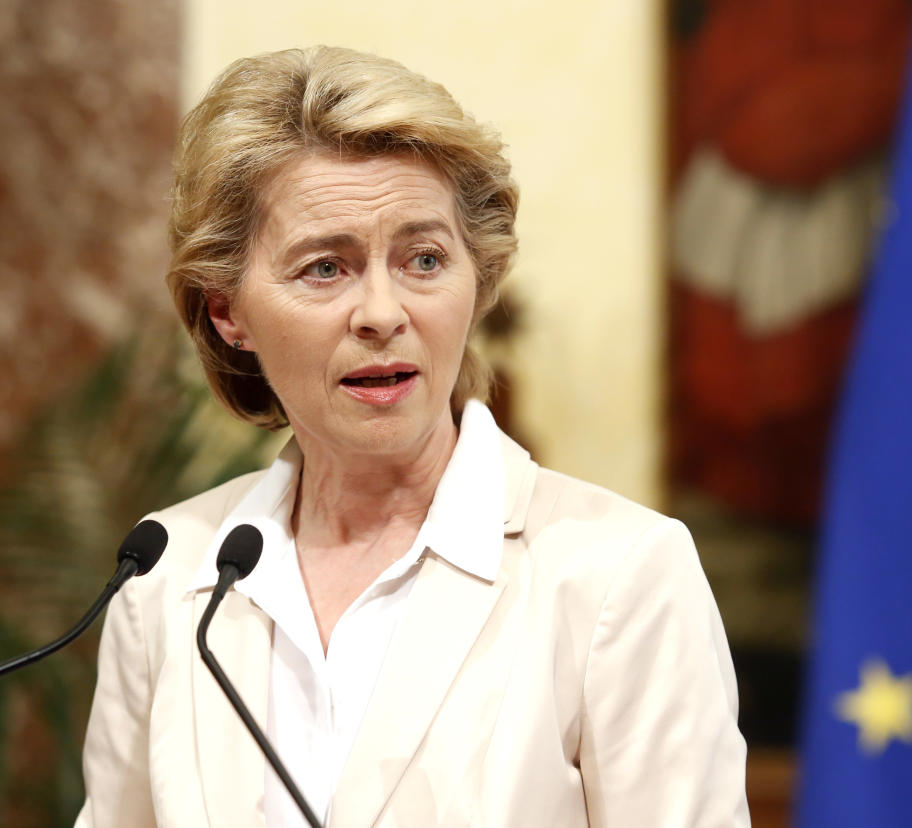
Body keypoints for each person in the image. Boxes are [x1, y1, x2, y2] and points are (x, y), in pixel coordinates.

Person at [75, 46, 749, 828]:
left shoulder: (617, 577)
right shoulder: (167, 576)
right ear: (228, 311)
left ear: (478, 279)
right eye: (325, 268)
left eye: (425, 259)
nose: (383, 313)